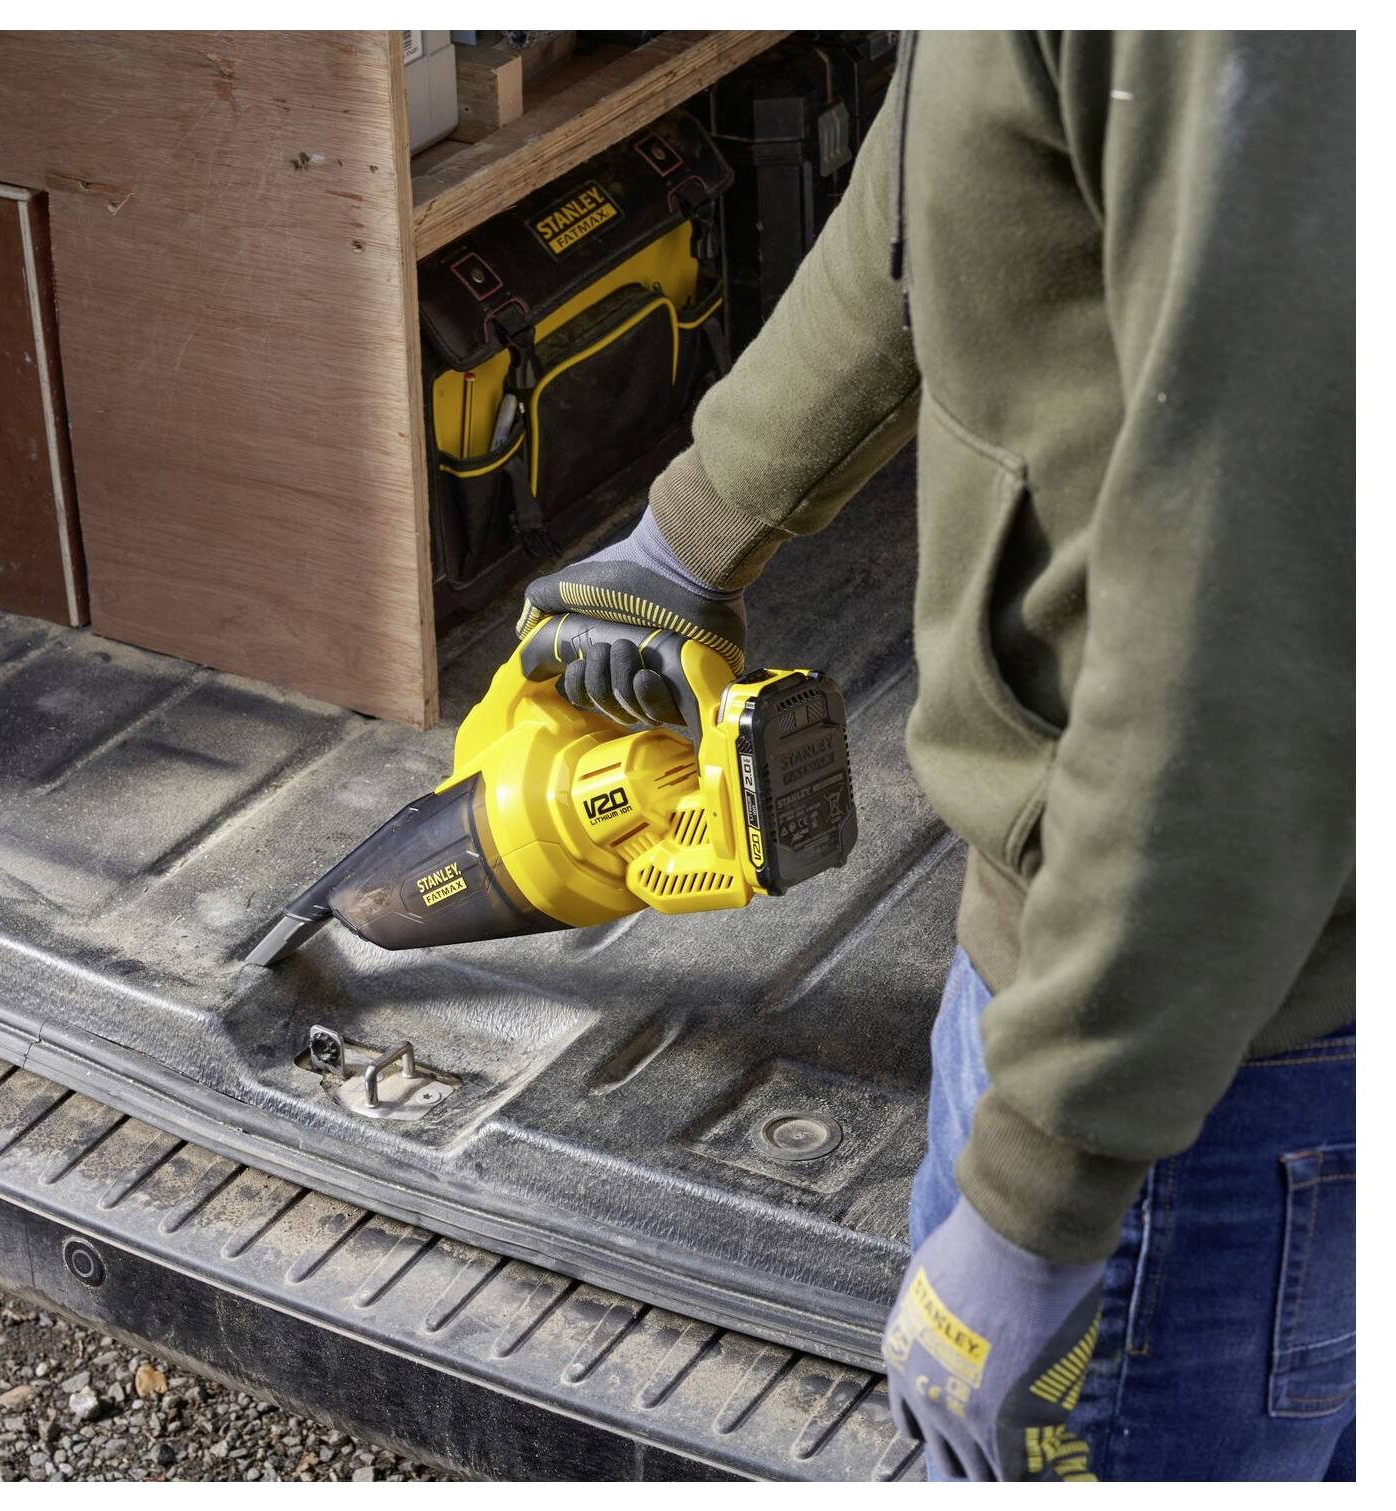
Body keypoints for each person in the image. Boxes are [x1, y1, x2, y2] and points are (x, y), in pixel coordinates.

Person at [515, 31, 1354, 1480]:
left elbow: (1258, 622)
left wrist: (1045, 1186)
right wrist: (694, 528)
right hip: (1124, 1007)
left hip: (1193, 1072)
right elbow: (945, 172)